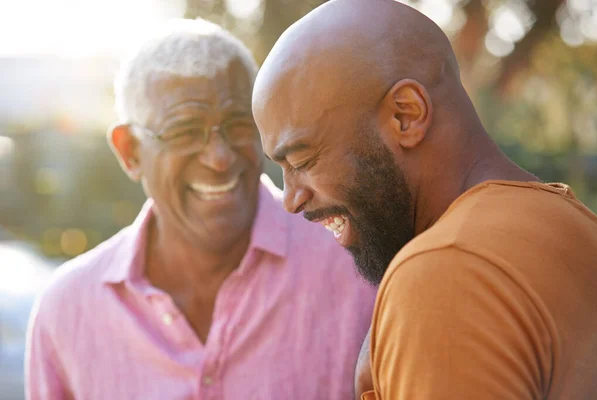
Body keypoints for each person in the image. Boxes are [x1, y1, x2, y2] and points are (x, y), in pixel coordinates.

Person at [252, 0, 597, 399]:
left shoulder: (448, 272)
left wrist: (424, 297)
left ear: (406, 115)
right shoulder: (571, 224)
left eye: (301, 159)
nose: (291, 200)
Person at [26, 18, 376, 400]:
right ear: (130, 151)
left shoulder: (357, 267)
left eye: (238, 123)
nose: (220, 157)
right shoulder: (67, 311)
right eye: (184, 131)